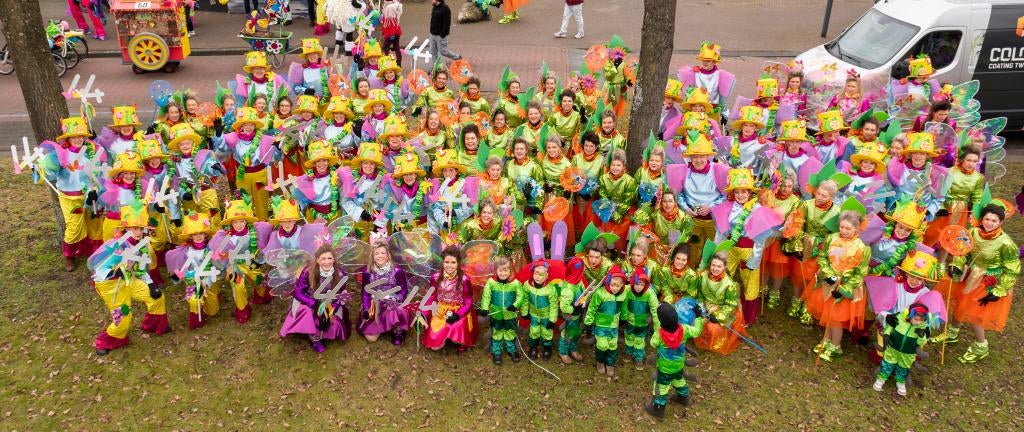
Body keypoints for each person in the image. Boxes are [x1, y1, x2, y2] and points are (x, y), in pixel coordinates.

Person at [89, 200, 170, 355]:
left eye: (140, 229)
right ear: (126, 228)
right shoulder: (116, 245)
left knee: (157, 297)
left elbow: (140, 270)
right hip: (112, 286)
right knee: (123, 318)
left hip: (130, 280)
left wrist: (151, 284)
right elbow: (97, 269)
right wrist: (114, 272)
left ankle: (153, 325)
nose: (138, 232)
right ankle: (105, 342)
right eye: (134, 229)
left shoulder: (142, 245)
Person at [943, 203, 1019, 364]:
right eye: (987, 219)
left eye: (994, 220)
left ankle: (980, 346)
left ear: (1001, 223)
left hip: (987, 281)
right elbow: (962, 250)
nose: (990, 223)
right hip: (969, 275)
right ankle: (952, 332)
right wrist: (955, 265)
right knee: (959, 302)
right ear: (981, 219)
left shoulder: (1006, 244)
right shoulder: (972, 232)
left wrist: (999, 289)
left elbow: (1012, 268)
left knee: (976, 313)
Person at [40, 116, 108, 271]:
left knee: (95, 224)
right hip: (70, 198)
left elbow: (101, 173)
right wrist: (43, 169)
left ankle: (95, 253)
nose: (78, 139)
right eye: (74, 136)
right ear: (68, 137)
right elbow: (49, 175)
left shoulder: (94, 150)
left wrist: (98, 190)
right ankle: (69, 256)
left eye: (81, 136)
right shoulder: (59, 154)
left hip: (91, 196)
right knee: (74, 227)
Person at [807, 210, 871, 363]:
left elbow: (860, 273)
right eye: (842, 227)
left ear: (857, 229)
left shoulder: (862, 248)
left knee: (836, 319)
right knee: (828, 314)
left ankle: (836, 346)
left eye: (848, 228)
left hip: (845, 287)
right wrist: (829, 274)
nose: (844, 231)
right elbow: (823, 257)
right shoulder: (832, 238)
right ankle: (827, 341)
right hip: (829, 283)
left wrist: (844, 289)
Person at [279, 244, 353, 353]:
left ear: (334, 259)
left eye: (329, 258)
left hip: (329, 303)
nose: (327, 262)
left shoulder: (340, 274)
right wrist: (314, 304)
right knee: (308, 313)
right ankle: (314, 338)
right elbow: (298, 293)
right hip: (308, 302)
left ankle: (323, 332)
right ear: (317, 259)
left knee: (332, 321)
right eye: (323, 258)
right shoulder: (308, 272)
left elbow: (340, 296)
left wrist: (331, 310)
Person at [644, 302, 705, 418]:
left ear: (661, 321)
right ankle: (683, 398)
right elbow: (697, 331)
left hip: (664, 369)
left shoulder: (660, 335)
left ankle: (658, 409)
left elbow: (653, 343)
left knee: (661, 387)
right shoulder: (685, 329)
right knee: (678, 379)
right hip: (678, 365)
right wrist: (698, 316)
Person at [358, 238, 413, 345]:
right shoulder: (367, 271)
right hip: (375, 304)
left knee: (395, 311)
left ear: (388, 255)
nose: (380, 256)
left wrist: (396, 298)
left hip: (392, 302)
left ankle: (397, 331)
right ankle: (382, 325)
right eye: (376, 253)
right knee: (371, 338)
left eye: (383, 253)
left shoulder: (397, 270)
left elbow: (403, 288)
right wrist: (366, 308)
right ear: (372, 256)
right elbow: (365, 292)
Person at [422, 246, 477, 351]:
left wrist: (457, 315)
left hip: (458, 310)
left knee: (458, 338)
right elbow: (431, 297)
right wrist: (423, 314)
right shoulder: (435, 277)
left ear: (458, 263)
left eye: (453, 262)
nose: (449, 265)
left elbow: (468, 302)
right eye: (447, 262)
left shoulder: (464, 279)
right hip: (440, 310)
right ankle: (444, 337)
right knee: (435, 347)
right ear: (442, 262)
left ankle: (452, 337)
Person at [873, 304, 932, 396]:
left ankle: (900, 383)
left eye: (921, 320)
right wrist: (886, 335)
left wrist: (921, 336)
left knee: (903, 368)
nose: (918, 322)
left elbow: (921, 343)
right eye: (916, 319)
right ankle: (881, 380)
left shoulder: (923, 328)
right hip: (892, 349)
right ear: (910, 315)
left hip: (907, 354)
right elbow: (890, 327)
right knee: (887, 365)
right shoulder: (899, 318)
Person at [584, 264, 628, 377]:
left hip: (614, 326)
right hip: (601, 325)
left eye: (618, 286)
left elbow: (624, 307)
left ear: (622, 284)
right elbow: (592, 308)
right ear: (608, 282)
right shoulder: (600, 293)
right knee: (602, 345)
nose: (615, 288)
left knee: (613, 345)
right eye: (613, 285)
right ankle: (600, 362)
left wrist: (624, 318)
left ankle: (610, 364)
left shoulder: (623, 294)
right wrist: (588, 322)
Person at [479, 256, 524, 365]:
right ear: (496, 271)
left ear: (510, 270)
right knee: (497, 333)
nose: (503, 273)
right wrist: (484, 308)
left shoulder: (515, 283)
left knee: (510, 333)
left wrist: (515, 305)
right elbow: (486, 296)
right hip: (496, 314)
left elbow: (520, 296)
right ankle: (497, 352)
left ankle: (512, 350)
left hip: (510, 314)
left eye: (506, 270)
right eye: (500, 270)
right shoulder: (491, 283)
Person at [520, 262, 559, 360]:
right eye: (535, 273)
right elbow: (524, 299)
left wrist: (552, 320)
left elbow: (554, 305)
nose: (537, 277)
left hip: (546, 316)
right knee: (534, 331)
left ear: (546, 276)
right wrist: (524, 312)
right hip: (534, 314)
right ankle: (533, 347)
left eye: (541, 275)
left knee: (547, 332)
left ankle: (547, 348)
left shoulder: (550, 288)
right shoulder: (527, 285)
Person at [622, 270, 659, 369]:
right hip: (630, 321)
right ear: (633, 282)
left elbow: (655, 310)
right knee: (629, 337)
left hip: (643, 323)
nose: (639, 287)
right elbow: (617, 287)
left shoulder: (649, 293)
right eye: (637, 284)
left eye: (642, 284)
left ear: (645, 285)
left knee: (639, 340)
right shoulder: (627, 290)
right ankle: (629, 353)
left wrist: (657, 329)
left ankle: (638, 357)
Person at [381, 0, 404, 65]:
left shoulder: (389, 7)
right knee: (396, 47)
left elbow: (390, 22)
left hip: (391, 32)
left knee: (385, 47)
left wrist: (392, 34)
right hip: (395, 31)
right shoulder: (394, 5)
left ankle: (388, 62)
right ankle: (398, 63)